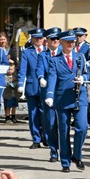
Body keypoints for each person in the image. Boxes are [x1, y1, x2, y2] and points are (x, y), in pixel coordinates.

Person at [44, 30, 90, 172]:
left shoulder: (80, 57)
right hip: (62, 98)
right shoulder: (54, 60)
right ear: (61, 43)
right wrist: (50, 95)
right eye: (68, 41)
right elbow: (52, 77)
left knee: (82, 127)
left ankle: (77, 155)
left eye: (73, 41)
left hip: (79, 96)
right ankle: (65, 162)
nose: (71, 43)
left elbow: (86, 71)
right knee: (63, 130)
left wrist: (83, 78)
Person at [17, 28, 46, 149]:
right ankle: (36, 139)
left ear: (44, 39)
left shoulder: (47, 51)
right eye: (36, 38)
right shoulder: (27, 52)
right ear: (32, 39)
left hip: (45, 87)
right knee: (33, 114)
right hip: (32, 86)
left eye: (40, 38)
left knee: (46, 114)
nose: (38, 40)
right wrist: (20, 84)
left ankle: (47, 138)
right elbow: (23, 69)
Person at [37, 27, 62, 162]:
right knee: (50, 123)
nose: (56, 41)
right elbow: (39, 68)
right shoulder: (43, 55)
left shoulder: (64, 54)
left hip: (62, 92)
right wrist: (41, 77)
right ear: (47, 41)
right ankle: (53, 151)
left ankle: (64, 150)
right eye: (53, 39)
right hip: (47, 92)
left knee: (63, 123)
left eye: (58, 38)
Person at [3, 59, 21, 124]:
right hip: (8, 94)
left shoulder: (15, 76)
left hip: (15, 94)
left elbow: (17, 82)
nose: (10, 71)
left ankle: (14, 116)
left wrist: (14, 82)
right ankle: (7, 117)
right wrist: (10, 81)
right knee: (8, 106)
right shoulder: (5, 76)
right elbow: (5, 83)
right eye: (9, 69)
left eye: (11, 69)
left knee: (14, 106)